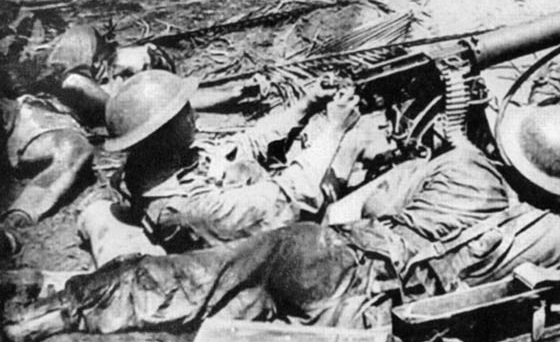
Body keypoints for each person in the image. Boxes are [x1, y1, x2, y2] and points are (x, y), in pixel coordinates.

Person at [2, 99, 560, 342]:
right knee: (231, 308)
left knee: (196, 280)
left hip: (330, 253)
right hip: (375, 313)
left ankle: (62, 307)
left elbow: (362, 208)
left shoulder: (462, 167)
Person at [77, 69, 393, 261]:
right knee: (383, 173)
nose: (194, 116)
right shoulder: (187, 209)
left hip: (274, 200)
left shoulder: (163, 163)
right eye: (184, 113)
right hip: (286, 233)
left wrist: (305, 104)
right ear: (162, 135)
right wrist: (336, 129)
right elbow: (291, 198)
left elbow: (245, 143)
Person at [0, 24, 175, 228]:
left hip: (47, 120)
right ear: (145, 45)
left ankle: (16, 220)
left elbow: (182, 102)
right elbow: (72, 83)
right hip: (18, 107)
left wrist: (221, 95)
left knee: (75, 148)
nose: (148, 70)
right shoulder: (86, 38)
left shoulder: (118, 90)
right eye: (154, 59)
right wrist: (118, 108)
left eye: (154, 73)